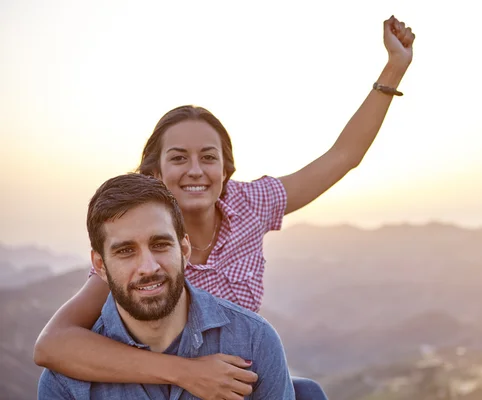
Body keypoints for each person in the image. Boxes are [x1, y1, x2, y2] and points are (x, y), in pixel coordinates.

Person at [34, 15, 415, 399]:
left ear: (226, 168)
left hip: (235, 380)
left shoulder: (251, 204)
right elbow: (53, 346)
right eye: (179, 158)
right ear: (155, 172)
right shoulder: (141, 248)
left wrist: (393, 69)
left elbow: (343, 156)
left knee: (309, 392)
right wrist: (183, 373)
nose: (195, 171)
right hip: (163, 380)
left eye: (209, 157)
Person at [38, 173, 295, 399]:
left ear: (184, 249)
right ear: (100, 265)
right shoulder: (66, 383)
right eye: (126, 251)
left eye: (160, 244)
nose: (148, 267)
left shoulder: (255, 342)